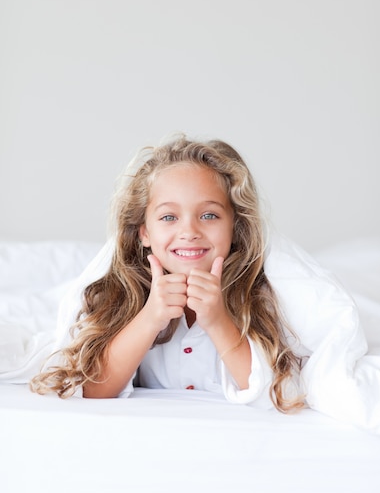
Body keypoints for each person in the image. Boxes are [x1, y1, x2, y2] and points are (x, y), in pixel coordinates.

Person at [30, 134, 304, 412]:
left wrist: (218, 321)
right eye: (169, 217)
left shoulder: (262, 296)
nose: (189, 232)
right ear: (144, 232)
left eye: (209, 215)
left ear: (235, 226)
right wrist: (151, 317)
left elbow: (276, 391)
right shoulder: (122, 296)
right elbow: (94, 389)